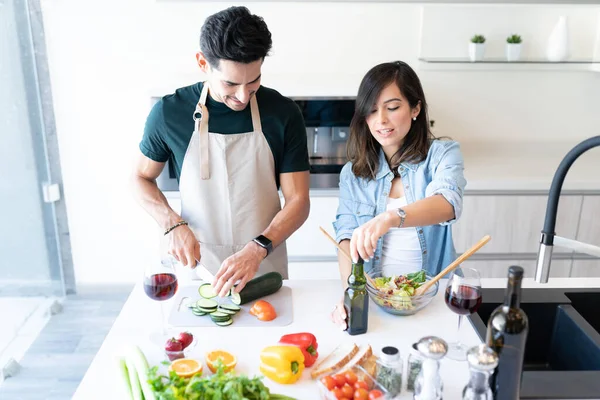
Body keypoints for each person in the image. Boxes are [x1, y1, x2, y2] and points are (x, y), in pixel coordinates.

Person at [132, 6, 310, 297]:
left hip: (262, 268)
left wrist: (257, 249)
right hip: (195, 266)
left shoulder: (283, 113)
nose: (242, 96)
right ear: (203, 63)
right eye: (230, 83)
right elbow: (139, 178)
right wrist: (171, 224)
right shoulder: (169, 113)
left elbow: (299, 201)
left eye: (253, 82)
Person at [331, 61, 466, 328]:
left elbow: (448, 203)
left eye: (392, 108)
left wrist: (391, 218)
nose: (381, 120)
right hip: (377, 299)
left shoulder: (442, 154)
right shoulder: (352, 173)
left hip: (435, 298)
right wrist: (350, 292)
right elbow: (345, 236)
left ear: (415, 108)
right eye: (371, 111)